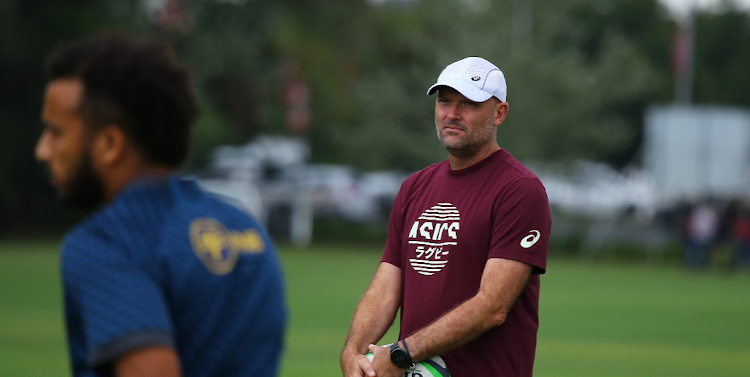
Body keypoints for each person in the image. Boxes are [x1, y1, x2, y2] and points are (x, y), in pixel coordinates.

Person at [35, 34, 287, 377]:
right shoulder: (244, 229)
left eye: (56, 132)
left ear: (109, 144)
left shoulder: (108, 243)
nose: (43, 150)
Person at [340, 57, 551, 377]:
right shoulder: (415, 187)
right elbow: (386, 285)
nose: (452, 114)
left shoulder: (520, 190)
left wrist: (402, 353)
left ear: (499, 113)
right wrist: (354, 350)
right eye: (444, 102)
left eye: (468, 103)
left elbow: (492, 307)